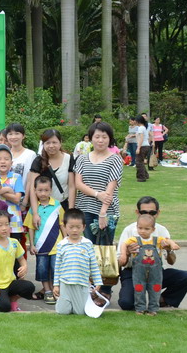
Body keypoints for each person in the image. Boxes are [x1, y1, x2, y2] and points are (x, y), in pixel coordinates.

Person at [118, 197, 187, 311]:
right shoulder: (129, 230)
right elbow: (119, 262)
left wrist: (168, 250)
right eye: (144, 212)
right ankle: (138, 301)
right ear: (137, 212)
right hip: (133, 272)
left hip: (156, 272)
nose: (148, 215)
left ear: (158, 213)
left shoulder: (162, 231)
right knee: (126, 303)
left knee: (186, 277)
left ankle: (163, 300)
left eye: (152, 213)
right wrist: (127, 253)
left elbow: (172, 262)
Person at [74, 122, 123, 300]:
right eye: (97, 136)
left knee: (105, 251)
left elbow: (110, 189)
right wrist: (97, 194)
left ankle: (105, 291)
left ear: (110, 139)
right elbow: (78, 183)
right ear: (90, 138)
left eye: (104, 137)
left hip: (107, 212)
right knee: (89, 250)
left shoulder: (115, 159)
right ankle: (91, 289)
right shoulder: (82, 158)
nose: (100, 140)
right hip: (85, 209)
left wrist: (103, 213)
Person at [117, 214, 180, 315]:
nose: (142, 231)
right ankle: (140, 308)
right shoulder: (134, 239)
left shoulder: (157, 240)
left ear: (153, 229)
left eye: (146, 229)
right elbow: (124, 244)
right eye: (140, 228)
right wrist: (124, 254)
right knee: (139, 288)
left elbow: (167, 240)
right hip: (138, 272)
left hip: (155, 272)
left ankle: (153, 309)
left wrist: (172, 245)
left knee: (155, 288)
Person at [0, 210, 34, 313]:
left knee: (29, 287)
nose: (4, 228)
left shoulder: (14, 242)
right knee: (4, 307)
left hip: (11, 282)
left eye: (7, 224)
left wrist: (24, 267)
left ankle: (13, 300)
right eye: (0, 225)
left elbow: (21, 259)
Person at [23, 176, 65, 304]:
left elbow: (62, 224)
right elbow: (30, 228)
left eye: (46, 190)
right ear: (35, 191)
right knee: (42, 270)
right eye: (40, 190)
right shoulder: (34, 209)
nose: (43, 193)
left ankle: (56, 291)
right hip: (40, 246)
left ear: (51, 190)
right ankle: (47, 291)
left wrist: (66, 240)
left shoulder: (57, 205)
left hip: (56, 245)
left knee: (56, 269)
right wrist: (31, 244)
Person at [53, 208, 102, 316]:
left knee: (80, 312)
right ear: (65, 226)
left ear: (83, 227)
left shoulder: (87, 244)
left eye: (78, 227)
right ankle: (62, 301)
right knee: (63, 311)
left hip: (82, 283)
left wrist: (98, 282)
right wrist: (56, 285)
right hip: (65, 282)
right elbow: (57, 267)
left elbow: (93, 265)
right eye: (71, 227)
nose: (74, 230)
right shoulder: (62, 244)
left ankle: (85, 301)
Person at [27, 129, 75, 214]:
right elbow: (33, 188)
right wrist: (35, 213)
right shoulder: (38, 161)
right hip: (43, 208)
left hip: (63, 206)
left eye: (54, 142)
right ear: (43, 144)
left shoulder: (69, 159)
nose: (51, 146)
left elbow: (72, 186)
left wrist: (70, 211)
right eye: (48, 143)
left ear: (60, 142)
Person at [134, 115, 152, 181]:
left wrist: (138, 148)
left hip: (143, 146)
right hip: (145, 145)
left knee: (138, 162)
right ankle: (145, 175)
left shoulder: (141, 128)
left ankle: (141, 177)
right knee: (141, 161)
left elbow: (141, 138)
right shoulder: (143, 128)